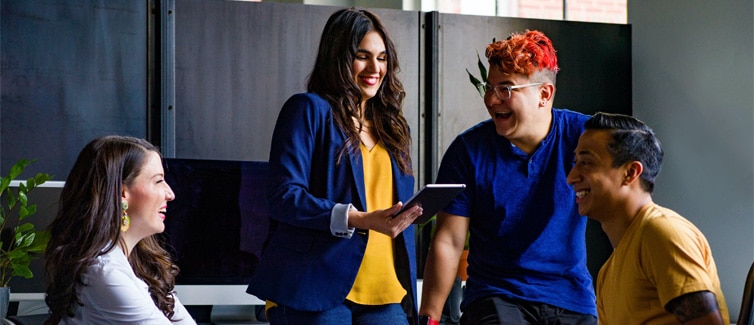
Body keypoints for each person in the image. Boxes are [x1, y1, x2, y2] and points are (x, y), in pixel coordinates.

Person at [246, 7, 423, 325]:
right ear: (338, 57)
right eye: (362, 56)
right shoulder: (307, 110)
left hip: (385, 290)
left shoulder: (394, 127)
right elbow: (284, 196)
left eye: (382, 58)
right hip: (315, 285)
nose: (375, 68)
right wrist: (357, 218)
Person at [419, 30, 597, 324]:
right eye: (488, 88)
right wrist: (430, 318)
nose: (491, 99)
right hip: (495, 296)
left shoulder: (585, 137)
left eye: (506, 89)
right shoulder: (468, 151)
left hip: (570, 297)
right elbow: (449, 240)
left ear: (544, 94)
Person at [566, 112, 729, 324]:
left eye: (586, 162)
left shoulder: (661, 232)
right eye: (575, 162)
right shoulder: (608, 271)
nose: (571, 177)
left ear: (630, 172)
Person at [43, 136, 195, 324]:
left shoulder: (142, 265)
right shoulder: (104, 273)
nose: (170, 194)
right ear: (122, 193)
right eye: (158, 181)